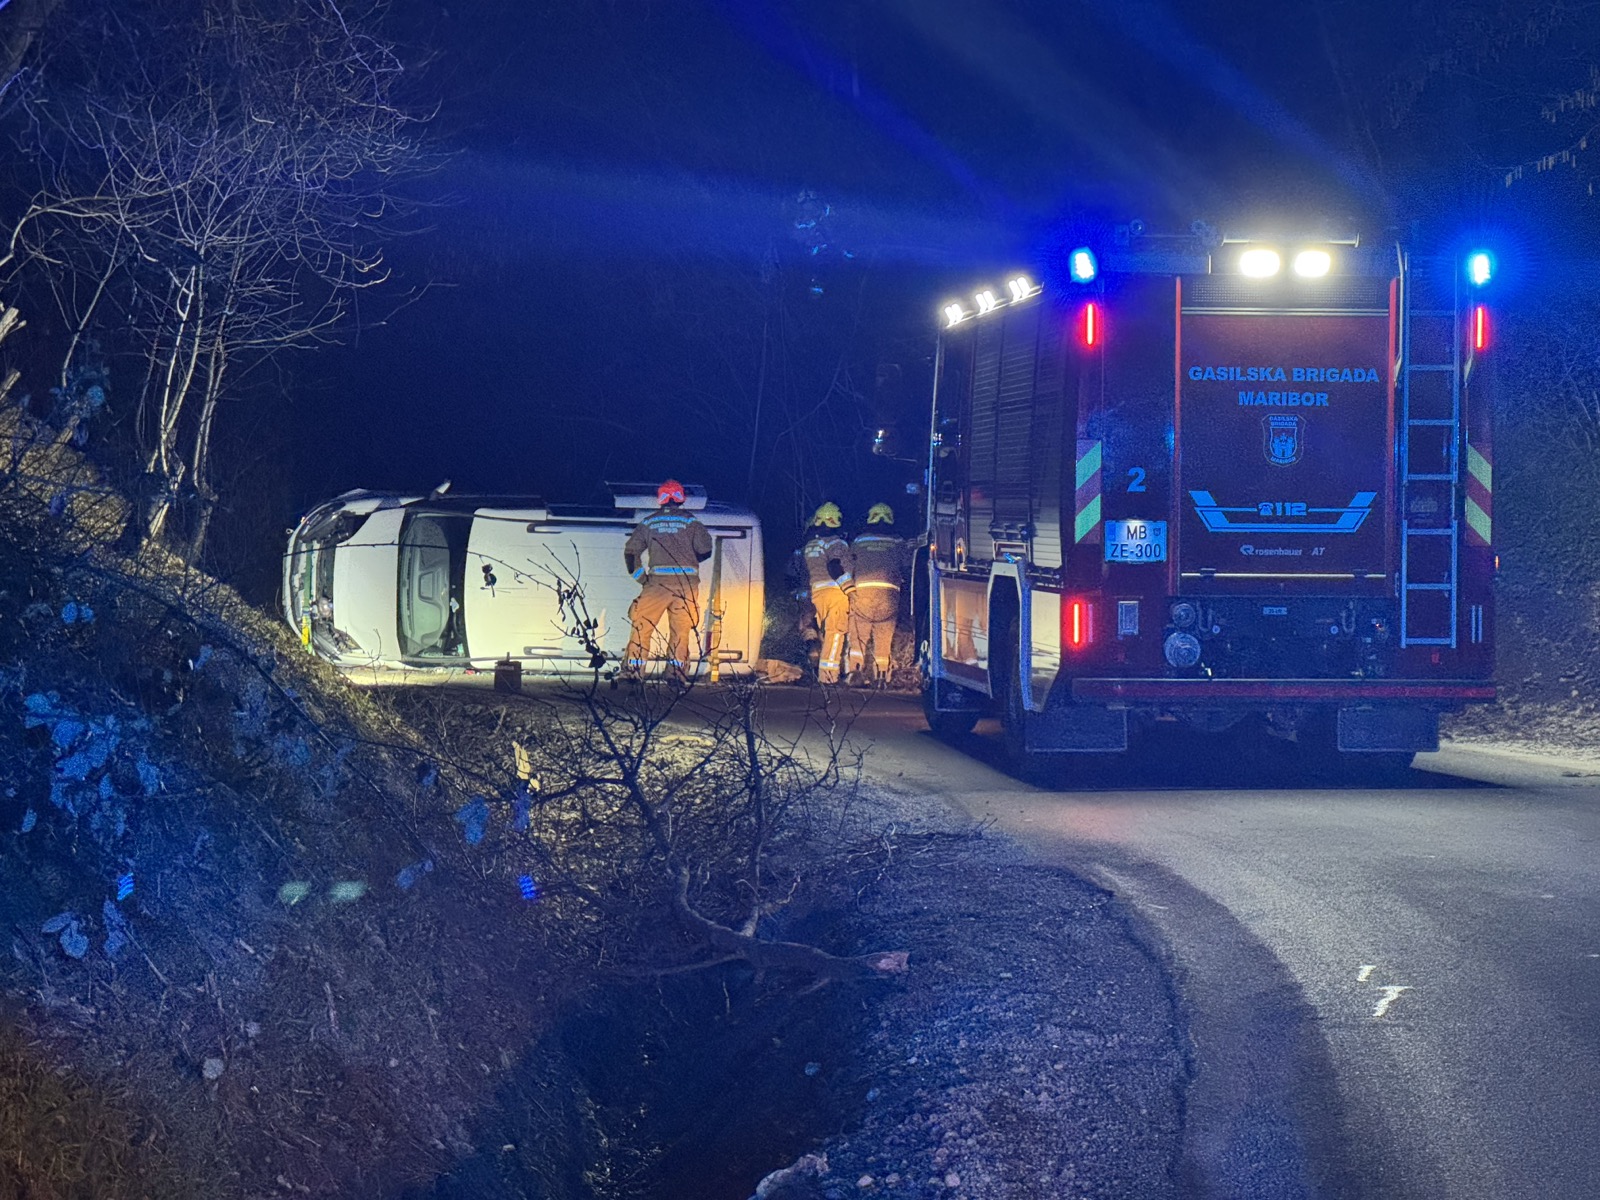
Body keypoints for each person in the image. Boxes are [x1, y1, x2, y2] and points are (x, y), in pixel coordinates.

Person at [622, 479, 713, 684]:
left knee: (641, 627)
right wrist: (689, 559)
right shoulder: (692, 523)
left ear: (660, 499)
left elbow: (631, 552)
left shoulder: (649, 522)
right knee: (681, 631)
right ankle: (676, 674)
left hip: (657, 586)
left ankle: (633, 674)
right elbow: (706, 550)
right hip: (686, 587)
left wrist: (642, 579)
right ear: (681, 499)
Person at [845, 502, 905, 685]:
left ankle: (854, 672)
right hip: (889, 598)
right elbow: (907, 565)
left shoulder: (859, 541)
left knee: (858, 638)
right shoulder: (898, 542)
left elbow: (848, 565)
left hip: (862, 596)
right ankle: (882, 675)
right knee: (884, 639)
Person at [795, 502, 852, 684]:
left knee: (826, 635)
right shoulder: (837, 543)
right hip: (836, 592)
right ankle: (828, 677)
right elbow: (835, 566)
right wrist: (849, 587)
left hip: (818, 594)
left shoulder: (810, 545)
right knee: (835, 634)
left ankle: (822, 672)